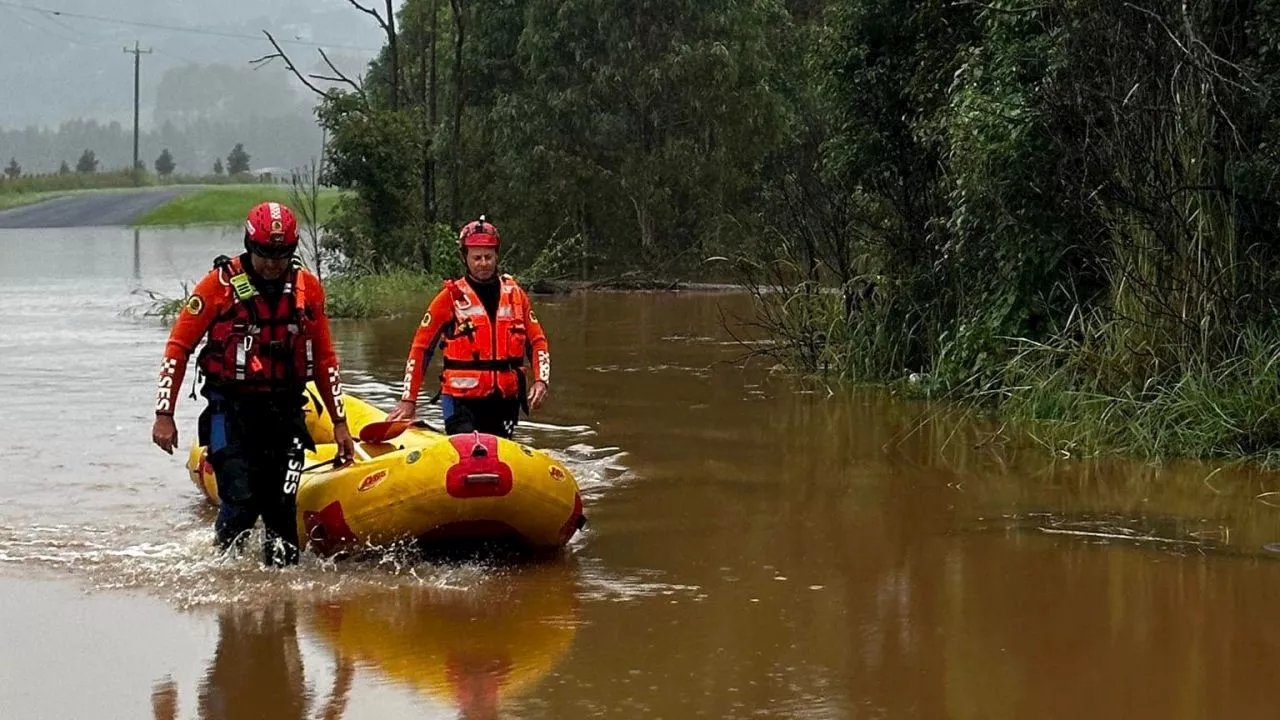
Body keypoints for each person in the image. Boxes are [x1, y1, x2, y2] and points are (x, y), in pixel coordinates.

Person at [150, 201, 355, 566]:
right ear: (250, 245)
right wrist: (164, 413)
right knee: (242, 503)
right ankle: (223, 572)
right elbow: (178, 347)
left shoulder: (307, 289)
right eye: (265, 253)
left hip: (286, 411)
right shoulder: (219, 285)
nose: (274, 263)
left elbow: (325, 359)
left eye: (282, 253)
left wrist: (340, 423)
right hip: (232, 411)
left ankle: (281, 610)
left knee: (281, 510)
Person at [386, 215, 550, 438]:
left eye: (488, 257)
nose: (483, 263)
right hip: (461, 401)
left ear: (497, 256)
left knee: (497, 456)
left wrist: (541, 380)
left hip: (504, 400)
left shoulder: (516, 295)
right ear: (465, 259)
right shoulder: (449, 298)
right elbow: (421, 349)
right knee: (468, 454)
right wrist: (408, 399)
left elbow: (537, 341)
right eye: (477, 258)